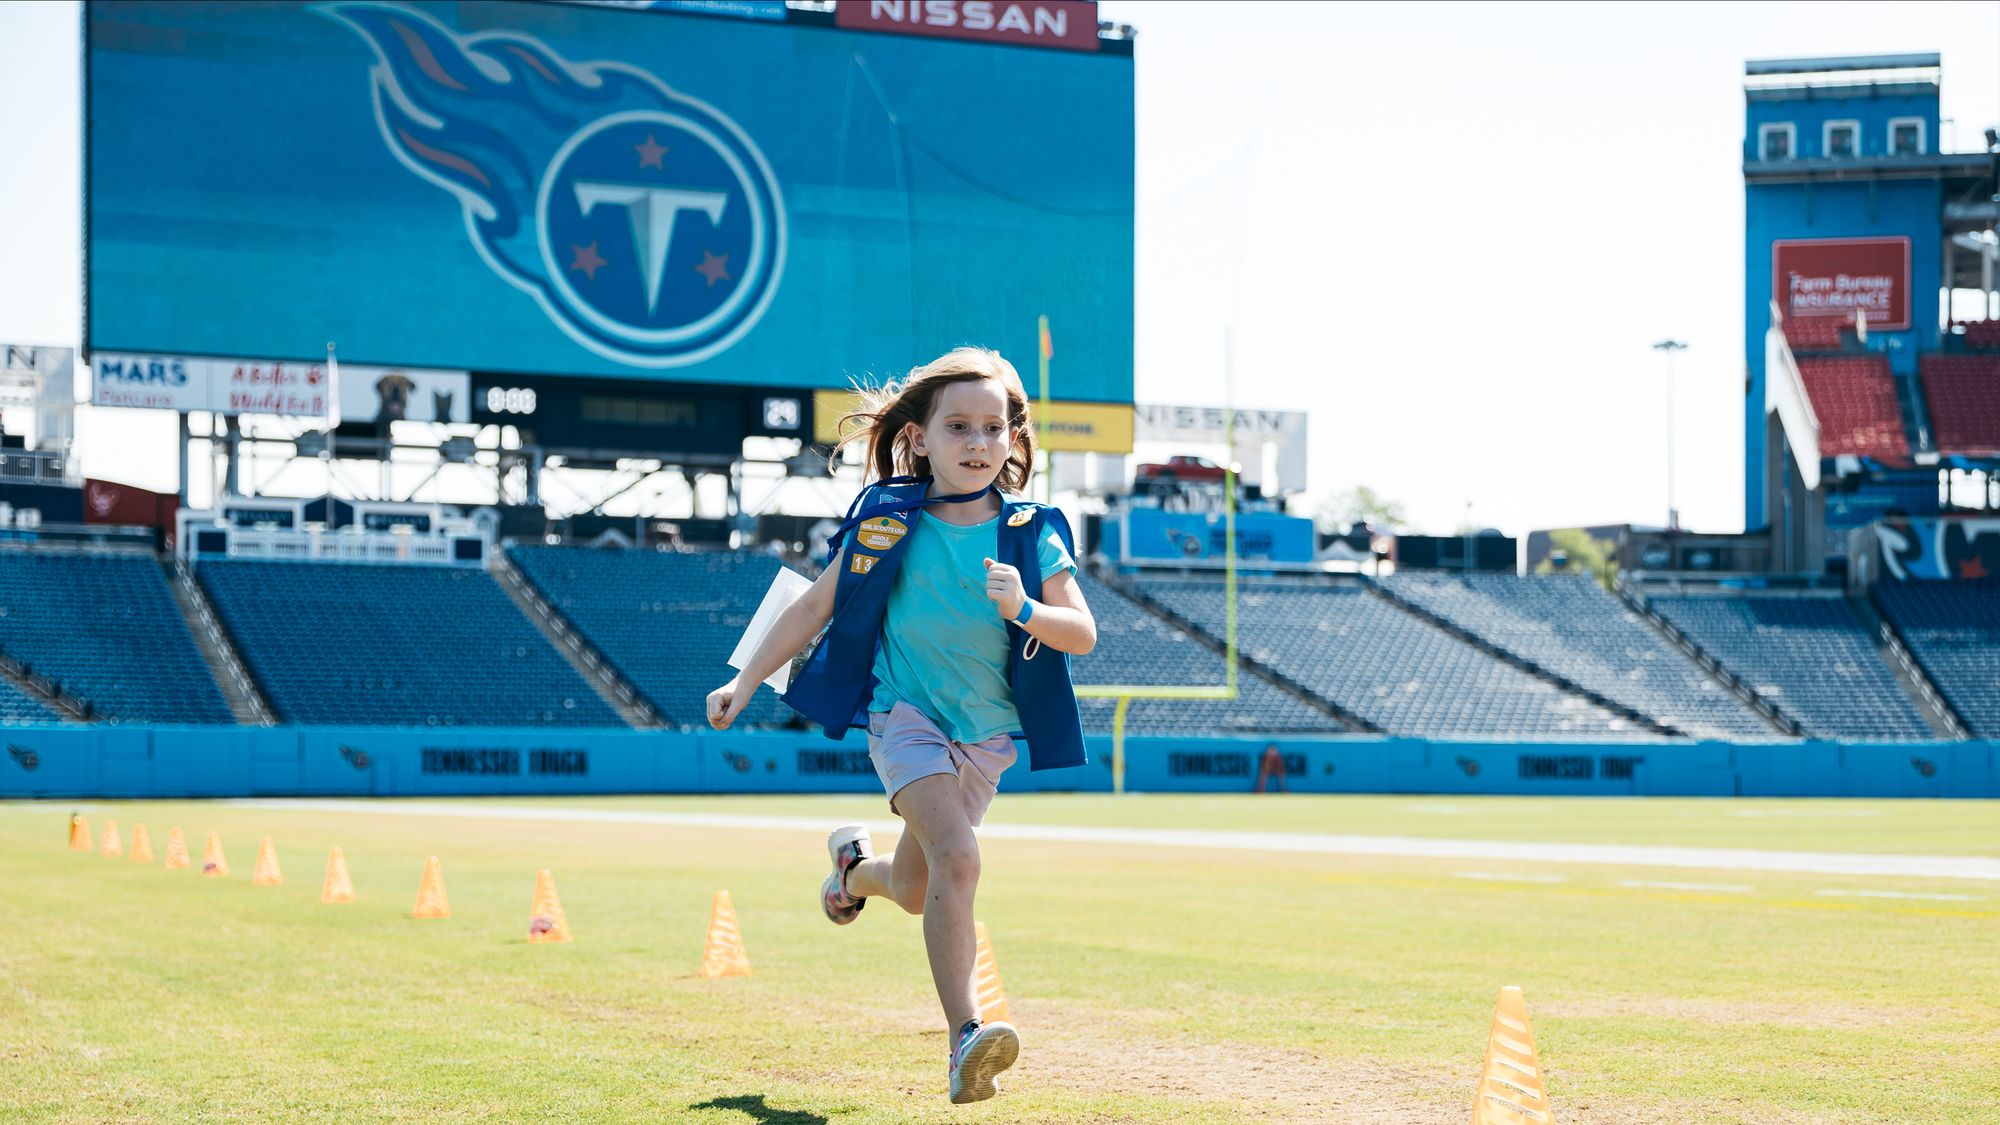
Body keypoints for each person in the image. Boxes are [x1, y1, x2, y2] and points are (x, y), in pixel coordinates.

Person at [707, 347, 1096, 1105]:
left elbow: (1080, 633)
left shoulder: (1031, 529)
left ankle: (851, 871)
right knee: (960, 857)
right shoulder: (887, 519)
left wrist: (1025, 607)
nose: (977, 443)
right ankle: (965, 1040)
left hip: (983, 742)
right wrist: (745, 678)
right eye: (958, 426)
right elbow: (816, 605)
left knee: (920, 888)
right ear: (918, 437)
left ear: (1014, 439)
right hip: (905, 718)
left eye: (993, 427)